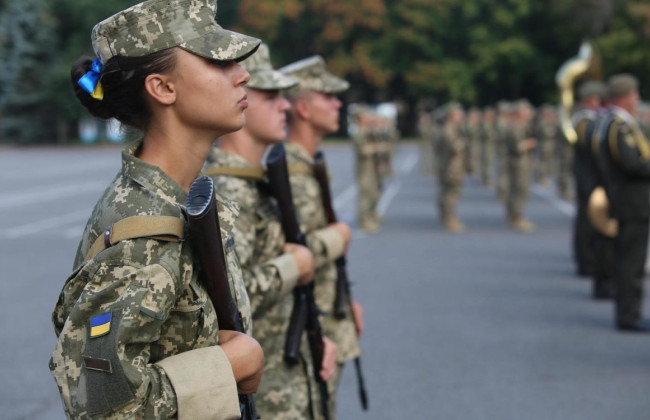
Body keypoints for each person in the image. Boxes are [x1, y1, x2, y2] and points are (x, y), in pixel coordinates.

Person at [49, 1, 264, 418]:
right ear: (163, 88)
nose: (243, 74)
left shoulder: (183, 200)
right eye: (217, 63)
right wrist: (228, 365)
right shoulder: (142, 233)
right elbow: (104, 409)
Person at [203, 44, 337, 419]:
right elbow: (231, 304)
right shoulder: (230, 191)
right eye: (271, 96)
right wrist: (295, 265)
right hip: (264, 391)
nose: (285, 106)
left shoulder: (252, 182)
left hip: (286, 373)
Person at [280, 55, 363, 419]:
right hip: (312, 321)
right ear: (302, 108)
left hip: (331, 309)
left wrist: (349, 298)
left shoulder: (308, 164)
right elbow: (287, 253)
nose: (338, 103)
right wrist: (336, 237)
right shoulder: (291, 175)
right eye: (327, 97)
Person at [598, 74, 650, 331]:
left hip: (634, 202)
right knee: (631, 261)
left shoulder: (621, 123)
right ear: (622, 97)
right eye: (633, 94)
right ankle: (629, 315)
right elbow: (632, 164)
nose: (637, 99)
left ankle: (631, 311)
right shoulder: (617, 126)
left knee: (632, 260)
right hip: (633, 202)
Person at [572, 81, 606, 279]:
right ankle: (585, 260)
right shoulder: (583, 121)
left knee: (588, 218)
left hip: (589, 175)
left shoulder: (587, 119)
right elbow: (593, 146)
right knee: (586, 220)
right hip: (588, 177)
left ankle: (587, 258)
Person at [505, 99, 537, 232]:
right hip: (518, 162)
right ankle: (517, 218)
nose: (529, 113)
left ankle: (514, 215)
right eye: (526, 111)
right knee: (519, 190)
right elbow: (516, 147)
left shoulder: (522, 125)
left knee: (517, 190)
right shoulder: (516, 127)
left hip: (522, 161)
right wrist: (529, 144)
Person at [436, 102, 466, 232]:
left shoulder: (451, 128)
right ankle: (449, 219)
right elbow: (453, 148)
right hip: (450, 167)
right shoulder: (448, 130)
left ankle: (447, 217)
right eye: (458, 114)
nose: (460, 116)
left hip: (450, 166)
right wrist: (462, 143)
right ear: (451, 115)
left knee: (448, 193)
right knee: (450, 194)